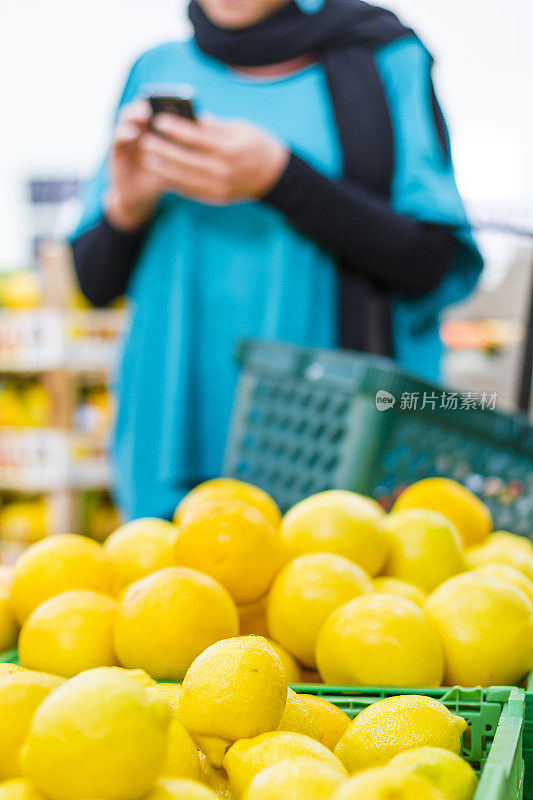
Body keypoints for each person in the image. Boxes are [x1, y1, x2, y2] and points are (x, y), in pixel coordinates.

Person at [71, 0, 483, 520]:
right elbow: (94, 280)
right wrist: (126, 208)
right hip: (168, 445)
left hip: (334, 451)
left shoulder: (387, 59)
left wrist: (280, 178)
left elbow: (431, 263)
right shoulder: (155, 69)